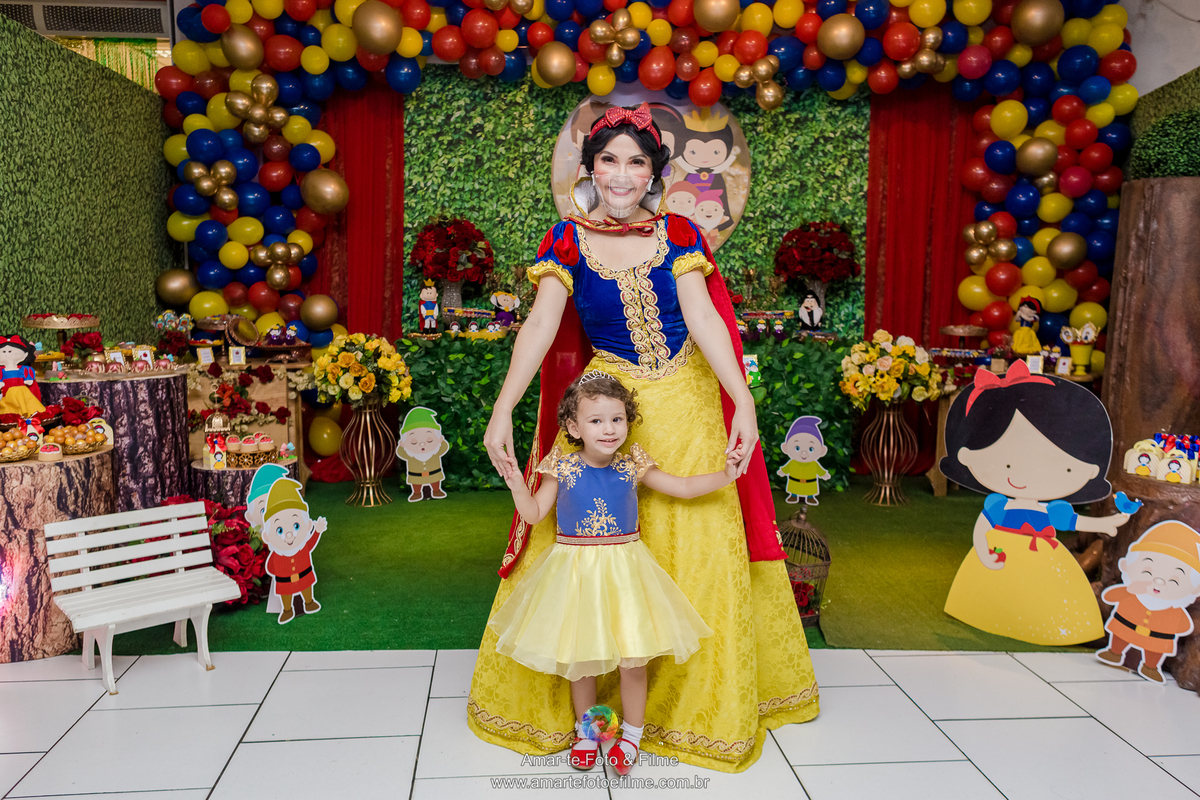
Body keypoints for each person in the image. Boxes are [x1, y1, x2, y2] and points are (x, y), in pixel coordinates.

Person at [471, 103, 818, 774]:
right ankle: (590, 716)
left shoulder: (681, 232)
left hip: (687, 403)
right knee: (593, 546)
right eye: (609, 160)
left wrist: (740, 399)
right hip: (607, 406)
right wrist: (502, 408)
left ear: (654, 173)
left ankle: (686, 715)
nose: (622, 174)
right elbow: (540, 327)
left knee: (695, 542)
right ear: (590, 168)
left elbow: (704, 320)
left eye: (636, 161)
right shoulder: (565, 240)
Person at [491, 372, 731, 774]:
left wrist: (728, 474)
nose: (609, 429)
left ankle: (632, 736)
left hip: (626, 573)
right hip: (575, 573)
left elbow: (685, 488)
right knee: (581, 658)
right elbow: (533, 513)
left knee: (633, 660)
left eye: (617, 419)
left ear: (627, 421)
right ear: (573, 427)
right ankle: (588, 733)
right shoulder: (561, 468)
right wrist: (518, 484)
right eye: (596, 420)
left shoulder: (633, 464)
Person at [940, 361, 1131, 644]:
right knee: (995, 588)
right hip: (1000, 550)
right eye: (1004, 463)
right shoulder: (998, 506)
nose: (1020, 476)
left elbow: (1071, 520)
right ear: (968, 455)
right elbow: (982, 528)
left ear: (1089, 470)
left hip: (1042, 554)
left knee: (1040, 592)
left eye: (1063, 468)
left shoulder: (1050, 509)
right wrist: (982, 548)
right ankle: (991, 612)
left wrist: (1106, 522)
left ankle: (1039, 621)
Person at [1097, 521, 1200, 683]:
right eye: (1147, 571)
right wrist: (1129, 590)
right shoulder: (1131, 592)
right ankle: (1114, 652)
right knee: (1121, 636)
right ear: (1126, 565)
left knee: (1155, 650)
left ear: (1194, 589)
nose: (1158, 582)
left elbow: (1185, 626)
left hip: (1158, 638)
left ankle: (1151, 666)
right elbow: (1110, 597)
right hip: (1125, 626)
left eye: (1174, 581)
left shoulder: (1174, 607)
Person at [0, 335, 45, 416]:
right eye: (4, 352)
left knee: (27, 403)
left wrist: (28, 379)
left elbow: (29, 378)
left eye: (10, 351)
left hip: (22, 391)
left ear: (25, 355)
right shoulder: (1, 371)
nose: (7, 354)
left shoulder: (24, 369)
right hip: (6, 393)